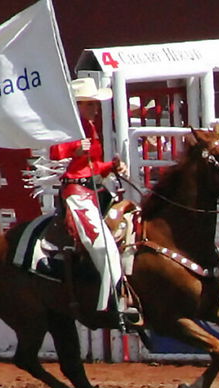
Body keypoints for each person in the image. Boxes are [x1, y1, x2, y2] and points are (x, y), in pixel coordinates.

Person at [48, 77, 135, 327]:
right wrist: (75, 149)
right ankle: (115, 303)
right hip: (76, 192)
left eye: (95, 105)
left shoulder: (89, 128)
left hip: (93, 190)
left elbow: (92, 166)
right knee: (103, 245)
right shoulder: (66, 128)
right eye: (90, 104)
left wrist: (111, 166)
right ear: (78, 105)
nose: (95, 109)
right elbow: (56, 155)